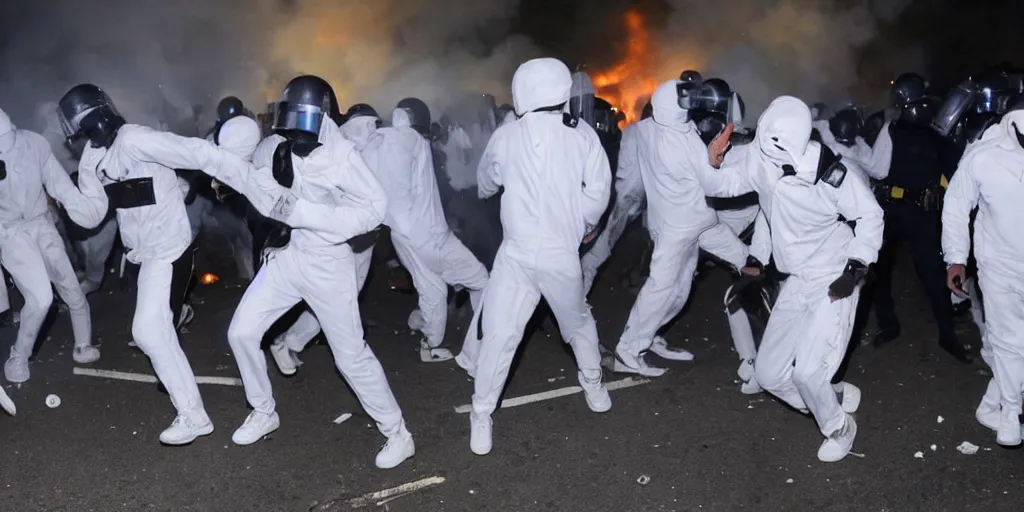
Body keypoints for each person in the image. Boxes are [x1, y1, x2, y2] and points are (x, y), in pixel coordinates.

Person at [204, 76, 415, 469]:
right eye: (290, 119)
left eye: (304, 120)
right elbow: (263, 171)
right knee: (242, 332)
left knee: (350, 356)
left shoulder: (343, 157)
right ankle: (264, 410)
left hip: (328, 263)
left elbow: (375, 209)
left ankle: (397, 433)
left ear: (324, 116)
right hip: (289, 255)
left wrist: (308, 215)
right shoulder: (279, 143)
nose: (295, 132)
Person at [701, 96, 882, 462]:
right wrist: (712, 161)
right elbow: (732, 190)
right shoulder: (760, 157)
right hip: (797, 277)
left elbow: (871, 216)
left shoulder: (831, 173)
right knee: (769, 375)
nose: (762, 156)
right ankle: (831, 395)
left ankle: (839, 427)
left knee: (809, 372)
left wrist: (855, 269)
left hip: (834, 273)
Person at [462, 57, 612, 456]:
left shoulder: (507, 136)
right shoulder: (581, 134)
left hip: (518, 253)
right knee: (576, 323)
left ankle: (482, 413)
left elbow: (485, 183)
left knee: (499, 335)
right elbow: (599, 191)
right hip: (554, 253)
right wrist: (581, 225)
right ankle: (593, 383)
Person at [57, 84, 223, 445]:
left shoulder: (137, 139)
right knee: (156, 333)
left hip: (170, 249)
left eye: (86, 127)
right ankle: (194, 413)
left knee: (150, 332)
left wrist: (237, 172)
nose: (85, 137)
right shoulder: (92, 159)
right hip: (141, 255)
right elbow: (93, 213)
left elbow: (193, 152)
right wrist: (61, 191)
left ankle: (192, 414)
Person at [611, 79, 749, 378]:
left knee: (682, 289)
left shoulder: (647, 128)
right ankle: (628, 350)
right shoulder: (682, 143)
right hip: (679, 229)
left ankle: (649, 335)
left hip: (693, 221)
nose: (693, 105)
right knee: (661, 289)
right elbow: (717, 185)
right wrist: (741, 169)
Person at [357, 98, 490, 363]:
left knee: (432, 290)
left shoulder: (379, 143)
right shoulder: (410, 140)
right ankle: (482, 341)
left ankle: (429, 340)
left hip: (402, 235)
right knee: (481, 282)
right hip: (429, 234)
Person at [267, 102, 384, 376]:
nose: (372, 129)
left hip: (359, 235)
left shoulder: (359, 147)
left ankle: (293, 340)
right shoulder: (340, 150)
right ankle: (296, 341)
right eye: (368, 124)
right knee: (336, 296)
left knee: (340, 296)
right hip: (340, 237)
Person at [942, 104, 1024, 446]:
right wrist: (956, 259)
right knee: (1010, 341)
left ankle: (991, 404)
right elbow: (957, 207)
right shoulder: (983, 156)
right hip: (1000, 264)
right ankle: (1010, 412)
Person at [0, 107, 100, 384]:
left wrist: (82, 207)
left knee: (70, 284)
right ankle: (19, 355)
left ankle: (83, 345)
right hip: (9, 230)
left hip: (41, 222)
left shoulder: (34, 143)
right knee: (41, 298)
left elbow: (58, 182)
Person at [871, 94, 971, 363]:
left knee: (931, 272)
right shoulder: (893, 131)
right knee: (878, 269)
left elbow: (957, 173)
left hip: (918, 211)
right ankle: (890, 324)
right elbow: (876, 169)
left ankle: (947, 334)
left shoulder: (933, 136)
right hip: (894, 209)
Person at [580, 102, 653, 295]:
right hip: (626, 199)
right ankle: (578, 299)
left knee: (622, 240)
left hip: (625, 196)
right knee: (598, 251)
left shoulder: (631, 132)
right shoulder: (653, 137)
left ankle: (630, 275)